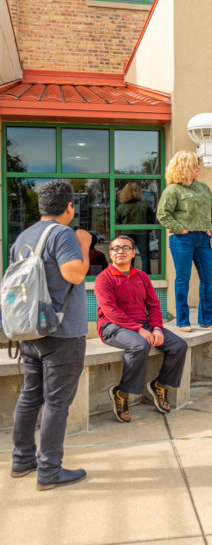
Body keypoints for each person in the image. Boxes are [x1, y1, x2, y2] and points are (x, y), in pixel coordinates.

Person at [11, 179, 91, 491]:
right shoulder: (63, 234)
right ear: (69, 207)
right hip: (61, 333)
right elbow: (74, 273)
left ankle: (22, 461)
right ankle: (49, 471)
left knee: (30, 395)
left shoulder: (24, 237)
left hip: (30, 329)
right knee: (57, 403)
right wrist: (83, 244)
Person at [94, 235, 188, 423]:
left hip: (141, 325)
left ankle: (159, 385)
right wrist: (139, 330)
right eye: (116, 248)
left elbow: (153, 305)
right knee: (139, 346)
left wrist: (157, 328)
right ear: (110, 254)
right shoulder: (103, 278)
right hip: (112, 326)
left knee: (178, 345)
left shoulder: (142, 276)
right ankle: (122, 392)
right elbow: (111, 311)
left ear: (133, 252)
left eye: (126, 248)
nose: (120, 251)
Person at [156, 151, 212, 332]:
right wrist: (181, 229)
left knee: (208, 278)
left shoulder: (204, 188)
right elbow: (163, 215)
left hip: (203, 239)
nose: (198, 167)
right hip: (182, 239)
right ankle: (183, 321)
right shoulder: (173, 190)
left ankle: (207, 319)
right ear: (184, 168)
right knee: (183, 279)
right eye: (194, 165)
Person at [115, 182, 156, 274]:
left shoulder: (121, 207)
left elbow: (116, 222)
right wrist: (147, 230)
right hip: (142, 233)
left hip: (126, 235)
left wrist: (121, 233)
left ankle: (129, 277)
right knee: (145, 257)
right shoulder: (145, 205)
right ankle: (146, 277)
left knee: (128, 257)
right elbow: (152, 219)